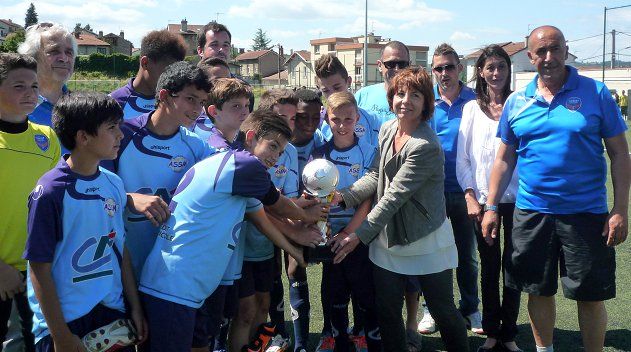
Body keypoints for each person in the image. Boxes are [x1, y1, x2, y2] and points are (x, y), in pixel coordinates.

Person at [481, 25, 630, 352]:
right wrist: (491, 206)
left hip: (586, 214)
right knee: (537, 290)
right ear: (530, 56)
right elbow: (503, 160)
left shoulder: (597, 93)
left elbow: (620, 153)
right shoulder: (517, 102)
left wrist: (620, 209)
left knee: (590, 295)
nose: (549, 58)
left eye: (555, 49)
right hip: (533, 213)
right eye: (541, 52)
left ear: (565, 49)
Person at [138, 110, 324, 352]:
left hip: (185, 284)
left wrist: (293, 248)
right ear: (251, 137)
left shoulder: (232, 167)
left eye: (280, 152)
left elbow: (262, 218)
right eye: (272, 146)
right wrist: (309, 216)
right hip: (175, 285)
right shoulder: (244, 166)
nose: (276, 157)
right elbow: (278, 206)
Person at [331, 67, 468, 352]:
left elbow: (394, 196)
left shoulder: (425, 145)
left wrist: (358, 234)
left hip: (426, 237)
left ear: (426, 102)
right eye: (400, 93)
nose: (405, 100)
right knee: (388, 311)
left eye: (415, 95)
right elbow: (374, 175)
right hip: (387, 237)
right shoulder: (389, 128)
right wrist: (340, 198)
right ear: (391, 97)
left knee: (443, 310)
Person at [24, 92, 147, 352]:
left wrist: (134, 308)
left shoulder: (113, 183)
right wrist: (60, 335)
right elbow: (38, 268)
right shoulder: (50, 192)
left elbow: (119, 249)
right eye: (112, 128)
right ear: (83, 137)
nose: (120, 135)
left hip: (111, 314)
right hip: (66, 322)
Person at [106, 61, 214, 278]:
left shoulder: (196, 146)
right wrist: (128, 198)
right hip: (120, 263)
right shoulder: (122, 135)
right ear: (164, 95)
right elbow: (92, 186)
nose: (197, 110)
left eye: (201, 102)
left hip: (169, 267)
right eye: (190, 99)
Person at [456, 45, 522, 352]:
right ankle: (492, 332)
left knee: (513, 266)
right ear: (480, 72)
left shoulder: (522, 104)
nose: (496, 73)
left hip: (519, 200)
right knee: (489, 265)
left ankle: (509, 334)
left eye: (501, 67)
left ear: (509, 72)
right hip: (484, 201)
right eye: (490, 67)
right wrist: (470, 196)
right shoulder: (471, 108)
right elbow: (463, 158)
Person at [0, 53, 61, 352]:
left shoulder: (48, 138)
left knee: (32, 343)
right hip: (1, 269)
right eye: (19, 86)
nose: (30, 93)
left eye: (34, 86)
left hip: (36, 268)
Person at [313, 91, 380, 352]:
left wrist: (351, 233)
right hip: (330, 234)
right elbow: (315, 193)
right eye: (335, 119)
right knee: (335, 289)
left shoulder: (368, 150)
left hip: (359, 232)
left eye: (348, 119)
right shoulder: (320, 152)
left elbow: (368, 195)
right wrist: (327, 228)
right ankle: (339, 339)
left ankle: (364, 334)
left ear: (357, 118)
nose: (341, 125)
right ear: (327, 119)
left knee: (363, 287)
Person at [424, 43, 482, 335]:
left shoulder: (476, 100)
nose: (444, 73)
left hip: (466, 192)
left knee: (466, 255)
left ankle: (471, 308)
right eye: (438, 68)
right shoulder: (425, 101)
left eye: (449, 66)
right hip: (431, 192)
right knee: (431, 254)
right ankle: (430, 310)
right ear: (432, 72)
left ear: (460, 68)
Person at [110, 30, 187, 120]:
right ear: (145, 63)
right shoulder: (112, 104)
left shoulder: (179, 104)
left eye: (176, 73)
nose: (172, 79)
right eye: (167, 71)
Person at [315, 54, 384, 147]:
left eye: (337, 88)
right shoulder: (318, 122)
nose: (333, 95)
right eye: (326, 90)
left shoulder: (372, 120)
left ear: (349, 82)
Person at [17, 23, 75, 129]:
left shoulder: (82, 107)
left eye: (69, 52)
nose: (64, 58)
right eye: (54, 51)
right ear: (32, 58)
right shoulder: (14, 109)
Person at [197, 22, 254, 111]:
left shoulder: (243, 90)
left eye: (225, 45)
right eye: (214, 45)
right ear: (200, 51)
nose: (221, 50)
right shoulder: (189, 87)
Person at [355, 41, 410, 122]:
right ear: (380, 65)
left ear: (409, 65)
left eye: (402, 64)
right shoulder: (362, 96)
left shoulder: (417, 100)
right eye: (390, 64)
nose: (397, 69)